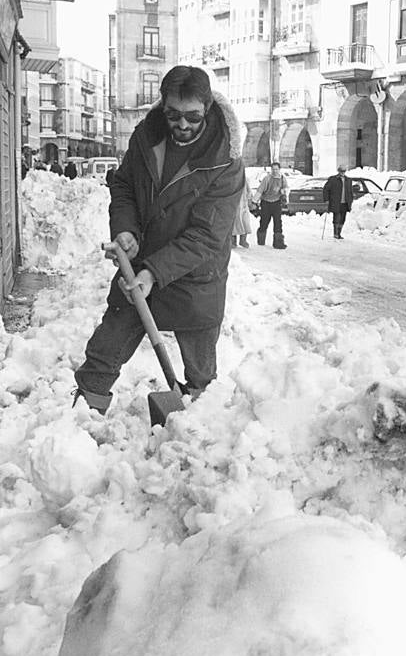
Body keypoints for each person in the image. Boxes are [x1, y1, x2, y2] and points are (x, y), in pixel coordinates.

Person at [71, 65, 244, 415]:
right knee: (105, 350)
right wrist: (125, 228)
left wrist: (153, 272)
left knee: (200, 371)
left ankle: (199, 430)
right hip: (140, 268)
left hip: (195, 278)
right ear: (163, 106)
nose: (183, 125)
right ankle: (80, 418)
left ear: (207, 109)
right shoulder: (145, 137)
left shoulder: (225, 161)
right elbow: (123, 186)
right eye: (174, 115)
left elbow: (206, 235)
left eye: (193, 117)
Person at [254, 162, 289, 249]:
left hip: (276, 202)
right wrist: (254, 201)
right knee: (264, 222)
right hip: (266, 202)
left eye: (276, 169)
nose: (275, 171)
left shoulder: (282, 179)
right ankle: (261, 239)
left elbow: (286, 188)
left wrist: (284, 195)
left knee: (278, 222)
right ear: (271, 170)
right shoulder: (267, 179)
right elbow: (260, 190)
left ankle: (278, 243)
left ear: (279, 169)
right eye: (273, 169)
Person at [323, 165, 353, 239]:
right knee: (337, 218)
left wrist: (351, 200)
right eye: (341, 171)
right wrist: (326, 199)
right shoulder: (333, 179)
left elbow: (350, 191)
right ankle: (336, 233)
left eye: (344, 171)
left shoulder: (348, 180)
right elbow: (326, 189)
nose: (342, 173)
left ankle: (339, 233)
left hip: (345, 203)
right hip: (336, 202)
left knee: (343, 218)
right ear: (338, 171)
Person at [231, 171, 253, 248]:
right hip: (234, 205)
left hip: (243, 205)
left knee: (245, 223)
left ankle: (243, 240)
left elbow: (249, 191)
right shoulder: (231, 179)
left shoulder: (245, 179)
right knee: (234, 224)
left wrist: (250, 200)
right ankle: (233, 242)